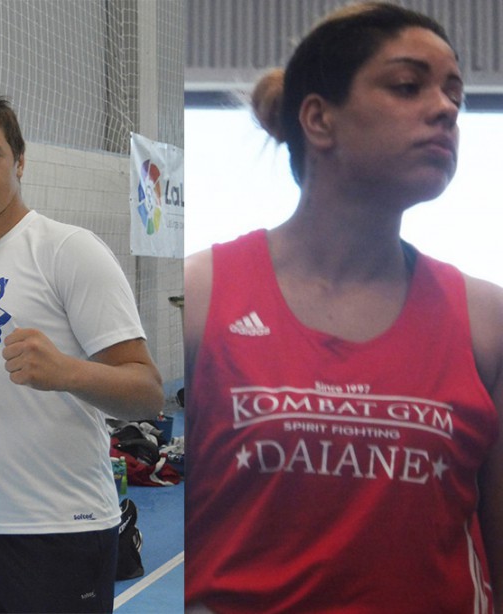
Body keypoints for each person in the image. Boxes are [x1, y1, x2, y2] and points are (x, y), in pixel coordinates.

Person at [183, 4, 503, 612]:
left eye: (453, 92)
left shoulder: (487, 322)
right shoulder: (201, 297)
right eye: (409, 86)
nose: (446, 109)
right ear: (319, 119)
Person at [0, 90, 164, 613]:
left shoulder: (66, 249)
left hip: (62, 527)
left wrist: (67, 373)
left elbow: (147, 393)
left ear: (20, 160)